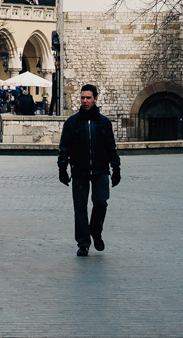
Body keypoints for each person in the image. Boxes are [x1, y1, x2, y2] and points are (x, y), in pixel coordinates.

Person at [58, 84, 121, 256]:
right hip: (80, 170)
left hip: (100, 170)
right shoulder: (72, 122)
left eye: (88, 97)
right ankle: (83, 243)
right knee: (80, 207)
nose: (85, 101)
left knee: (101, 202)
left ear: (95, 99)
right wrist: (62, 168)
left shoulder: (104, 123)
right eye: (82, 97)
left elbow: (111, 147)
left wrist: (116, 168)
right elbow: (64, 147)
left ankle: (96, 231)